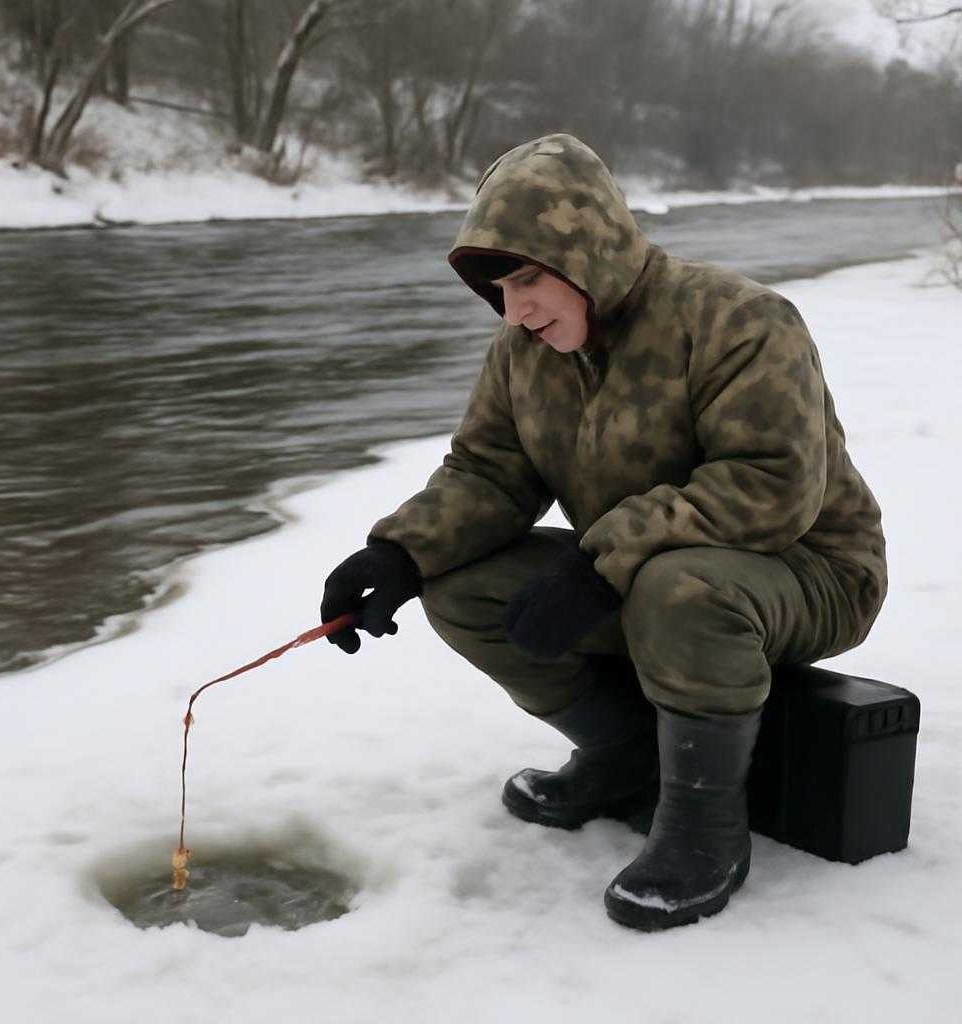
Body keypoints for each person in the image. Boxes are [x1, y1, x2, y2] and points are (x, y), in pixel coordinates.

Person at [319, 134, 887, 932]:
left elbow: (772, 487)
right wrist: (399, 551)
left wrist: (602, 560)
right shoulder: (523, 353)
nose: (516, 310)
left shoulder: (739, 319)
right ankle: (625, 755)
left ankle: (703, 825)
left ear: (590, 251)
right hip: (647, 575)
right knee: (462, 588)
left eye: (527, 278)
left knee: (677, 586)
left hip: (811, 571)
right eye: (499, 288)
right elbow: (488, 472)